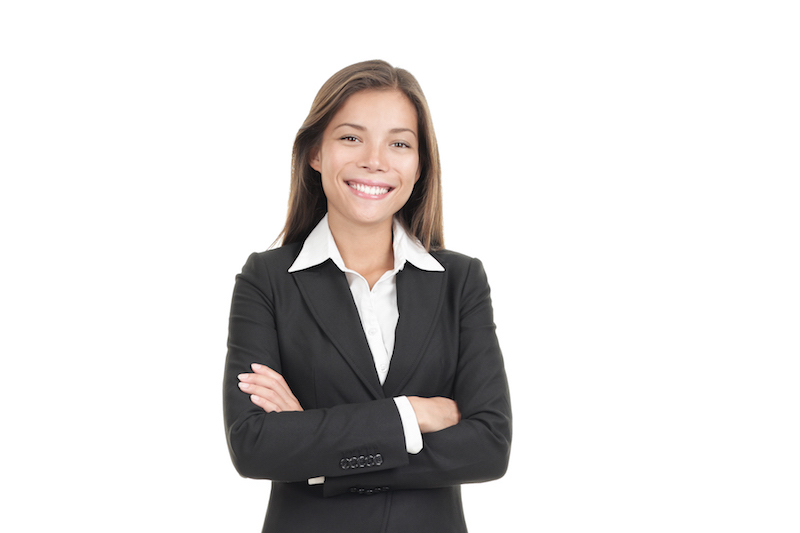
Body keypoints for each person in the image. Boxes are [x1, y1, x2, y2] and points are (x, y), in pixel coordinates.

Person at [223, 59, 511, 533]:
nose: (375, 160)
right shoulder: (267, 279)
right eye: (351, 137)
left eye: (399, 143)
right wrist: (413, 414)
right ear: (316, 152)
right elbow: (255, 444)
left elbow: (488, 446)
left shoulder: (460, 280)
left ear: (419, 165)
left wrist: (318, 452)